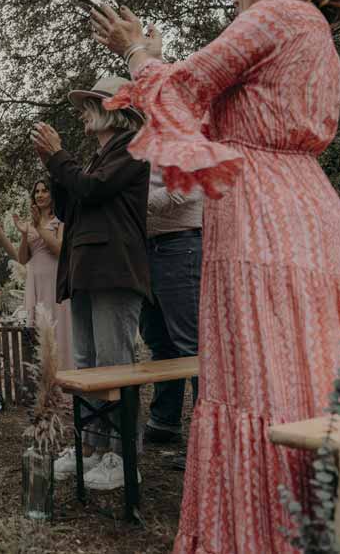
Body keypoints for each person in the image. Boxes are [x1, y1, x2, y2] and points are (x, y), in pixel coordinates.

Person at [90, 0, 340, 551]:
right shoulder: (314, 28)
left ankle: (258, 534)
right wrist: (157, 59)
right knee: (306, 375)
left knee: (256, 378)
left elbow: (182, 90)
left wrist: (135, 53)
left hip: (259, 214)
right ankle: (317, 527)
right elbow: (208, 116)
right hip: (312, 210)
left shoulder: (275, 13)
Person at [31, 76, 151, 491]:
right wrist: (57, 167)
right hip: (83, 270)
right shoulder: (97, 155)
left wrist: (58, 158)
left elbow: (93, 190)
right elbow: (74, 204)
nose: (82, 111)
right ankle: (91, 448)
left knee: (114, 364)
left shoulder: (133, 148)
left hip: (114, 270)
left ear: (113, 110)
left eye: (89, 104)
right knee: (86, 364)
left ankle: (123, 455)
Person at [140, 169, 202, 472]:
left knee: (193, 345)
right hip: (149, 248)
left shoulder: (185, 135)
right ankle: (165, 420)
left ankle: (208, 443)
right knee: (159, 339)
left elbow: (189, 185)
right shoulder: (144, 141)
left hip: (181, 243)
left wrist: (137, 203)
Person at [13, 180, 73, 372]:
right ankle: (41, 382)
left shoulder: (60, 221)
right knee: (37, 329)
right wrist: (24, 235)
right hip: (35, 281)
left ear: (52, 194)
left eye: (44, 191)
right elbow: (22, 259)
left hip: (55, 279)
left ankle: (64, 378)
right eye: (36, 191)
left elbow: (58, 250)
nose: (39, 194)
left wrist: (39, 226)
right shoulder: (30, 224)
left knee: (58, 328)